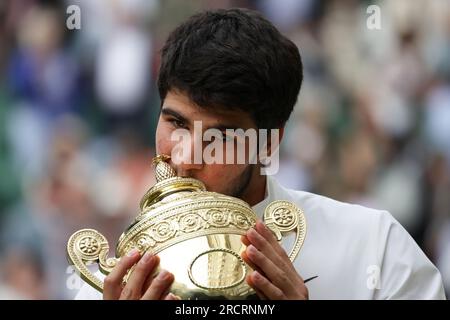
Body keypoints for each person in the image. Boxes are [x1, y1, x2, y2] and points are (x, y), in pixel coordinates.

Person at [75, 8, 445, 300]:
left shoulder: (374, 249)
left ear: (268, 143)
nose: (185, 158)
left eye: (218, 137)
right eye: (176, 123)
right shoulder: (118, 277)